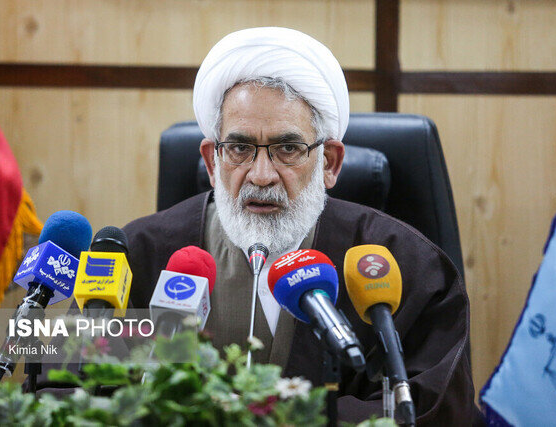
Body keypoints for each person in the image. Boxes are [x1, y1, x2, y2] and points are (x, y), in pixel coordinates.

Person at [124, 27, 479, 424]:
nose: (261, 175)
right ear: (212, 161)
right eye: (239, 148)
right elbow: (72, 383)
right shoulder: (138, 253)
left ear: (329, 162)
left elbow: (437, 409)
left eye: (288, 149)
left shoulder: (402, 263)